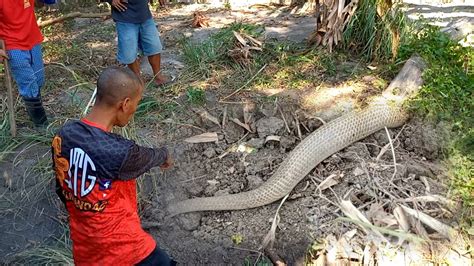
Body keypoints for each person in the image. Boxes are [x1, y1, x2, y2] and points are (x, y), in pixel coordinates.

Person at [52, 67, 175, 265]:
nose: (135, 109)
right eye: (137, 103)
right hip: (123, 247)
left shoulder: (64, 134)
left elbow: (61, 187)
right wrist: (166, 155)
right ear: (125, 104)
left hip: (85, 248)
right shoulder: (120, 151)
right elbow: (151, 157)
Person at [0, 0, 48, 127]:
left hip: (33, 39)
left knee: (39, 79)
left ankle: (38, 115)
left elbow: (45, 2)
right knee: (29, 83)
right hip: (12, 44)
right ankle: (41, 124)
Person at [106, 0, 171, 86]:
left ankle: (158, 76)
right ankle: (138, 81)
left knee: (154, 46)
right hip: (124, 17)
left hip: (144, 14)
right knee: (129, 53)